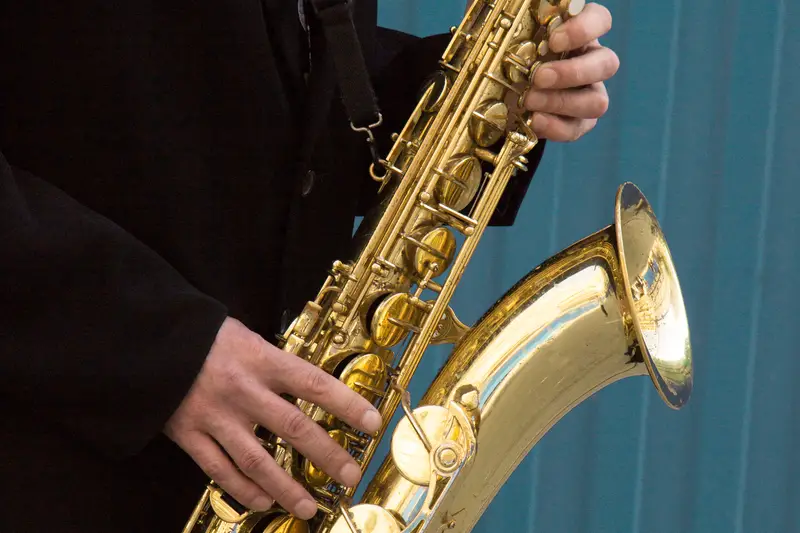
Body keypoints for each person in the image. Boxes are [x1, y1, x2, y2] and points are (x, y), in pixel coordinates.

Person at [0, 0, 619, 531]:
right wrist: (154, 346)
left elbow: (246, 69)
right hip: (57, 451)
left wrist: (490, 94)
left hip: (243, 460)